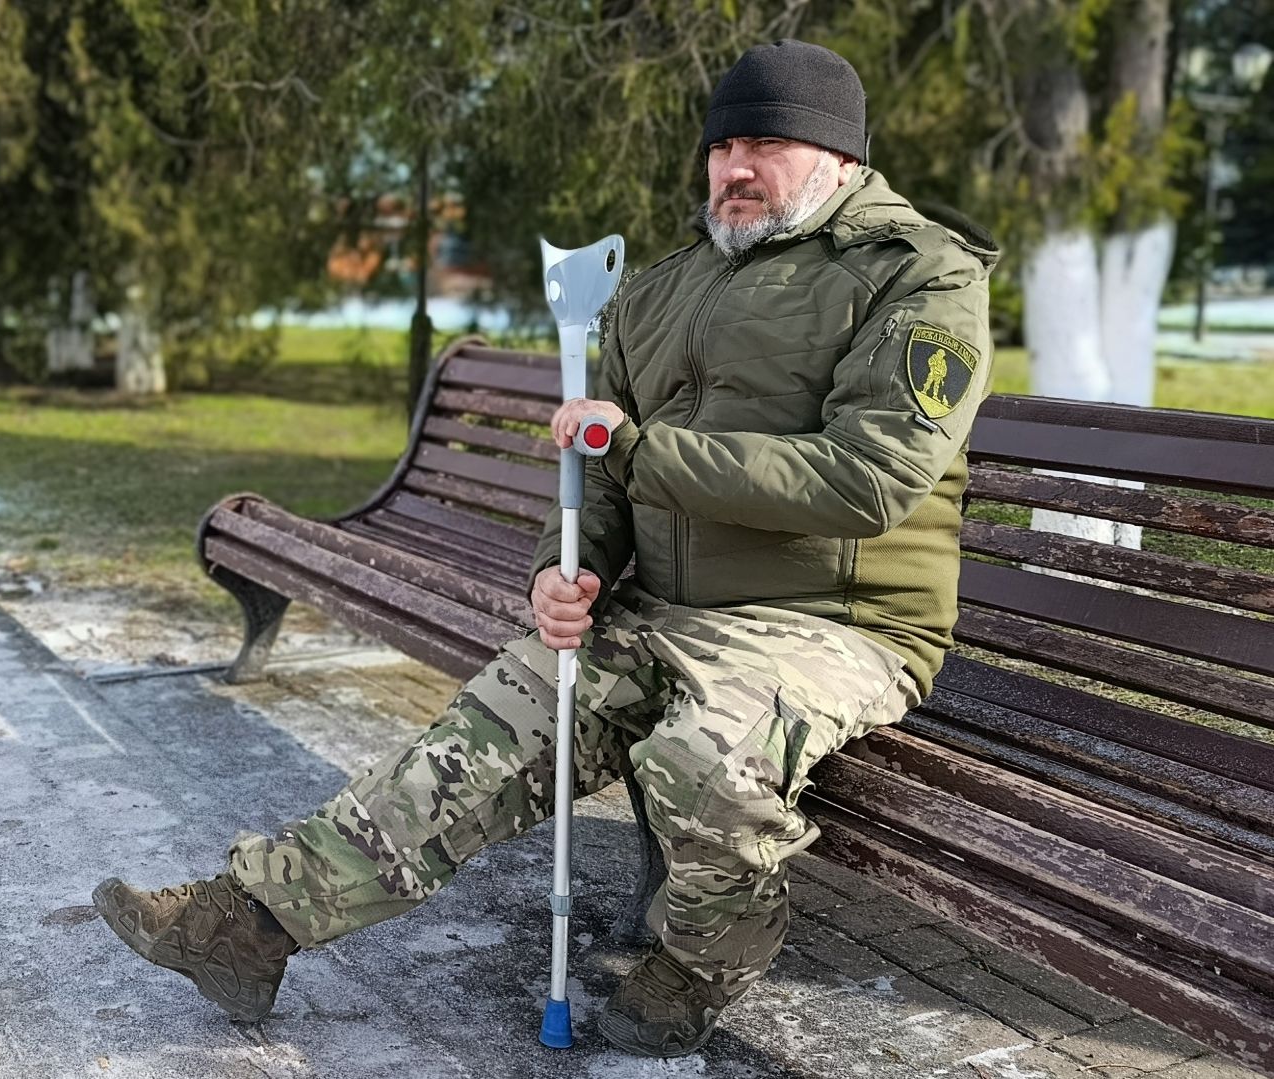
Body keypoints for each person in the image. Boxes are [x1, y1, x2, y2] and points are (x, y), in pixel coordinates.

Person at [92, 38, 1000, 1058]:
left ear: (837, 159)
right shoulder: (661, 289)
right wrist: (561, 568)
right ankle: (243, 926)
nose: (733, 169)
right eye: (721, 144)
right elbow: (598, 475)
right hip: (660, 608)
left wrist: (638, 447)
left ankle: (702, 963)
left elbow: (866, 478)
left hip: (830, 623)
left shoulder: (916, 276)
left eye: (767, 145)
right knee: (472, 742)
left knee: (701, 758)